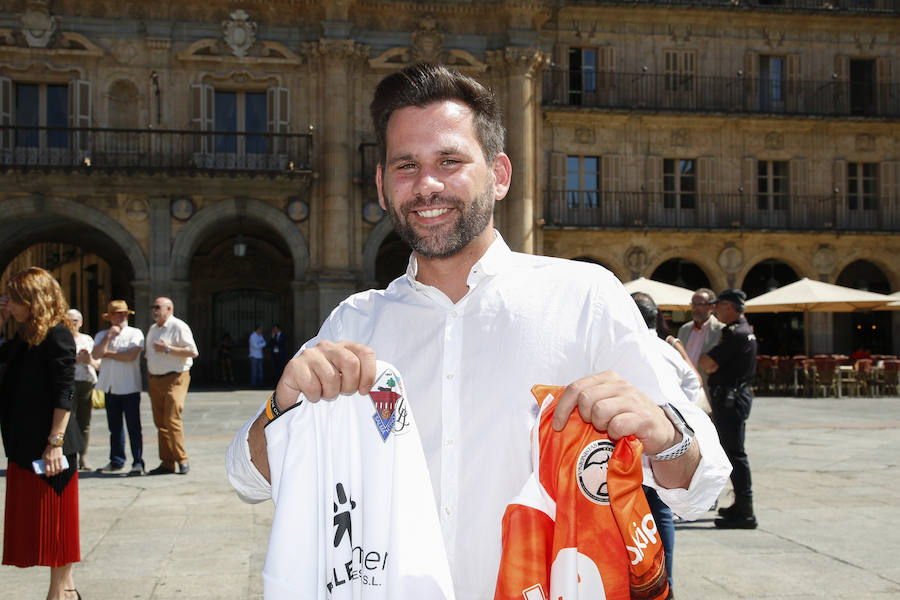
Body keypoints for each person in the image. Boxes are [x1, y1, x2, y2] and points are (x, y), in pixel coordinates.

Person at [226, 63, 730, 597]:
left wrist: (664, 434)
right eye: (405, 166)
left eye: (450, 160)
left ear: (500, 173)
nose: (427, 185)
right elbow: (248, 478)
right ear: (381, 186)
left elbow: (701, 487)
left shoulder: (585, 297)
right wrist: (281, 409)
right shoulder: (355, 321)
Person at [0, 267, 84, 600]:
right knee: (44, 526)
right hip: (23, 445)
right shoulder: (22, 337)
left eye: (15, 299)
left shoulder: (57, 335)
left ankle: (57, 596)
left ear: (34, 300)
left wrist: (55, 443)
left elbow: (65, 392)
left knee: (57, 527)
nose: (10, 305)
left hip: (51, 445)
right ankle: (69, 591)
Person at [632, 291, 705, 594]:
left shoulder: (627, 345)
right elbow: (694, 382)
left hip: (628, 449)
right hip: (664, 448)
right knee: (661, 513)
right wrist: (677, 414)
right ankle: (666, 583)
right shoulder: (667, 349)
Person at [699, 288, 758, 530]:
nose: (714, 310)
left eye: (719, 305)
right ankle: (741, 505)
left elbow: (707, 362)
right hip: (733, 397)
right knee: (732, 451)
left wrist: (708, 363)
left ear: (730, 307)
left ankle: (745, 509)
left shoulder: (736, 334)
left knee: (735, 453)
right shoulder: (743, 332)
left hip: (731, 399)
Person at [145, 297, 198, 476]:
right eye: (153, 307)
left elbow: (193, 351)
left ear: (169, 309)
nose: (154, 310)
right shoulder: (153, 329)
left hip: (176, 377)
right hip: (155, 380)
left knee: (172, 418)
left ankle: (182, 460)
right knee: (160, 423)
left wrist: (168, 349)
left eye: (158, 307)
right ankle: (167, 463)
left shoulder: (178, 327)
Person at [92, 299, 145, 475]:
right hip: (110, 387)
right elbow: (96, 354)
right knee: (114, 428)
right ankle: (116, 460)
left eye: (124, 314)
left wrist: (109, 354)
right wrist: (109, 337)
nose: (122, 317)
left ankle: (138, 462)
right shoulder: (102, 335)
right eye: (118, 314)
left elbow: (131, 356)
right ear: (111, 317)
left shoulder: (135, 333)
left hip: (129, 386)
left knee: (133, 427)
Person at [67, 308, 100, 471]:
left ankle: (83, 456)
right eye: (69, 320)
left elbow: (97, 362)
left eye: (75, 320)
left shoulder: (87, 339)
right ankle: (69, 455)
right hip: (69, 382)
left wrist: (88, 360)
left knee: (84, 421)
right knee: (68, 419)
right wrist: (76, 359)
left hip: (86, 381)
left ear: (80, 323)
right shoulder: (63, 338)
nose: (72, 324)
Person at [677, 287, 723, 394]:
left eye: (700, 304)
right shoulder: (684, 329)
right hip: (685, 389)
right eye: (693, 304)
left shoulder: (720, 330)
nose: (695, 308)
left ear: (712, 307)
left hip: (708, 389)